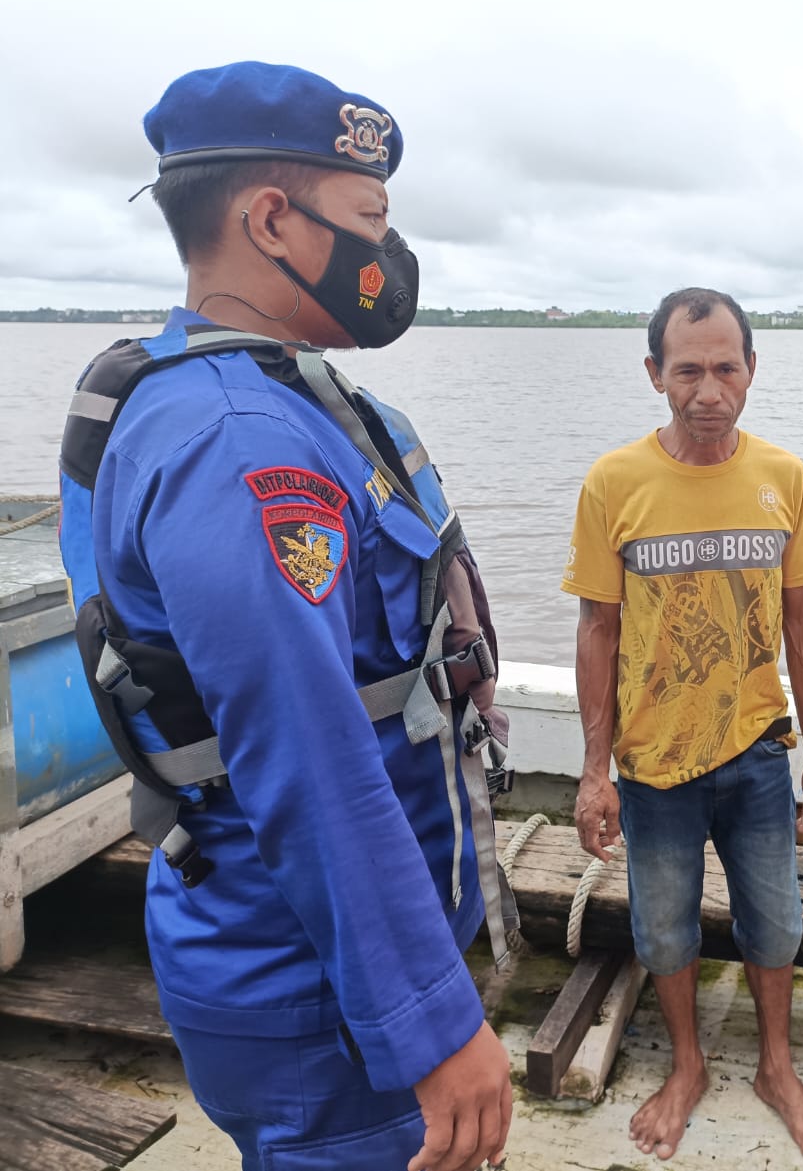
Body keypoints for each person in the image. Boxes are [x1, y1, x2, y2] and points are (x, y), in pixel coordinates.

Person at [56, 62, 514, 1171]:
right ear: (271, 218)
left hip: (321, 959)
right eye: (368, 221)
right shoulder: (241, 441)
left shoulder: (275, 396)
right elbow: (304, 754)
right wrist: (431, 1022)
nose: (388, 258)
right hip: (316, 996)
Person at [563, 287, 803, 1163]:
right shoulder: (615, 483)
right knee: (666, 930)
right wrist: (594, 768)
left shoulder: (783, 478)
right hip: (653, 764)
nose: (709, 389)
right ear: (656, 374)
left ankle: (775, 1065)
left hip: (758, 751)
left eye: (727, 367)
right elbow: (598, 630)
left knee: (777, 923)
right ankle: (686, 1066)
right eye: (688, 369)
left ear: (752, 371)